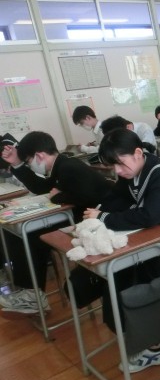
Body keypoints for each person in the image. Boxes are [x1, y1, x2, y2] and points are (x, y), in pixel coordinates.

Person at [84, 128, 160, 373]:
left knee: (149, 278)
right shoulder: (131, 171)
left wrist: (104, 217)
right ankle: (150, 331)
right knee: (124, 273)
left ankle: (158, 341)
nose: (118, 171)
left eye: (120, 164)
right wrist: (97, 214)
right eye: (113, 167)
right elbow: (116, 197)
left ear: (138, 153)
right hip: (158, 236)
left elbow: (150, 216)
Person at [0, 131, 112, 315]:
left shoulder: (68, 167)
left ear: (39, 156)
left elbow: (86, 196)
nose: (30, 165)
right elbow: (43, 188)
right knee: (22, 234)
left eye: (28, 161)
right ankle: (31, 292)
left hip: (97, 221)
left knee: (30, 236)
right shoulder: (61, 164)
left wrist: (57, 197)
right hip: (81, 217)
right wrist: (17, 164)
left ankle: (33, 295)